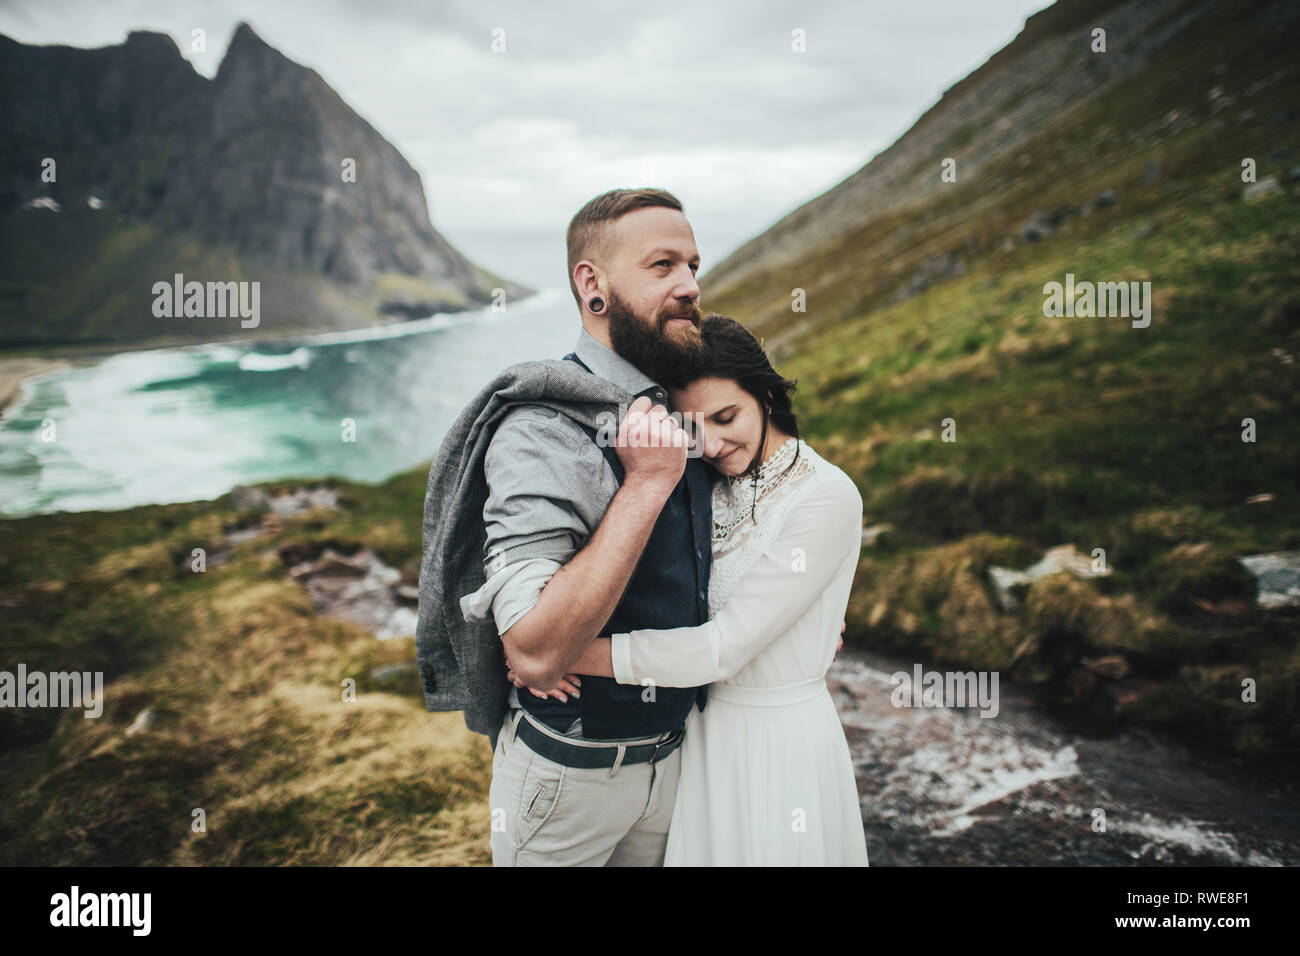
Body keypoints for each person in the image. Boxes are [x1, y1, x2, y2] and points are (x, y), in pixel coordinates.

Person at [417, 186, 713, 866]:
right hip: (568, 780)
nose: (691, 285)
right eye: (663, 265)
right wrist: (645, 483)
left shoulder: (683, 404)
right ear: (593, 285)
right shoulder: (541, 428)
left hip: (674, 767)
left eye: (694, 266)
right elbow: (538, 652)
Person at [509, 313, 870, 866]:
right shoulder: (704, 480)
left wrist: (568, 654)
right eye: (695, 429)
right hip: (693, 736)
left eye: (728, 417)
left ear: (767, 396)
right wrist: (538, 631)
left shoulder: (826, 495)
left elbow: (725, 648)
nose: (716, 443)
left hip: (776, 741)